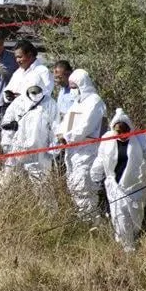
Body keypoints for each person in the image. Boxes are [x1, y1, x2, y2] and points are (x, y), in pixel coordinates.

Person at [91, 108, 146, 252]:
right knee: (120, 220)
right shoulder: (107, 139)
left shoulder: (141, 138)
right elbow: (101, 158)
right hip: (115, 188)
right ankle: (127, 250)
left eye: (125, 133)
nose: (122, 136)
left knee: (135, 220)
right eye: (118, 133)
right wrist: (95, 175)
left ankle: (132, 243)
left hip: (136, 188)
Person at [56, 68, 107, 218]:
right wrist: (60, 133)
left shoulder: (94, 102)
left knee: (84, 186)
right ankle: (85, 218)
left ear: (82, 85)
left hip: (88, 150)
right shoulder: (77, 103)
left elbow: (86, 126)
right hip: (73, 151)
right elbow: (67, 122)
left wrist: (68, 137)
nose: (72, 91)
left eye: (74, 88)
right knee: (74, 186)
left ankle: (92, 221)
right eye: (70, 88)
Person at [0, 73, 59, 182]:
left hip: (40, 151)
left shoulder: (50, 103)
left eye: (38, 90)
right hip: (17, 149)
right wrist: (6, 143)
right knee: (10, 181)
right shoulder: (18, 103)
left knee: (41, 185)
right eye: (33, 91)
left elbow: (55, 127)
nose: (35, 94)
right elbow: (6, 123)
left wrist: (54, 148)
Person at [2, 39, 53, 104]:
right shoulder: (18, 73)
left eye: (20, 57)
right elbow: (6, 92)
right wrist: (9, 96)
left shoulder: (42, 71)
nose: (17, 60)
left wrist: (25, 98)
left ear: (29, 55)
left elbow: (46, 95)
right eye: (16, 57)